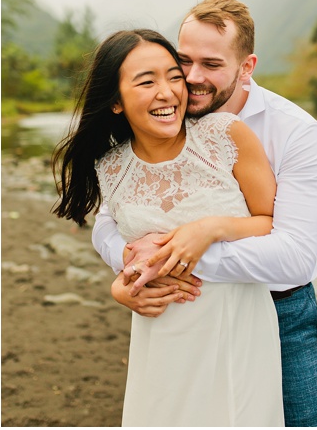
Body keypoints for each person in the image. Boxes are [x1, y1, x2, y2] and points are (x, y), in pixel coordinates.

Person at [91, 0, 317, 428]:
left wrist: (196, 242)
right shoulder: (144, 132)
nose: (192, 78)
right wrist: (128, 276)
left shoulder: (293, 130)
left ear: (247, 67)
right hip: (175, 320)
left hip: (281, 309)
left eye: (212, 64)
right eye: (184, 60)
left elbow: (295, 256)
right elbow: (110, 224)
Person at [53, 29, 284, 427]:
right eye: (147, 81)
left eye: (173, 76)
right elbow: (119, 242)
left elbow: (271, 224)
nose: (168, 92)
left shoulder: (224, 136)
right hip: (160, 331)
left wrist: (210, 228)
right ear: (114, 101)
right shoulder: (110, 167)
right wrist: (121, 284)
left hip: (235, 326)